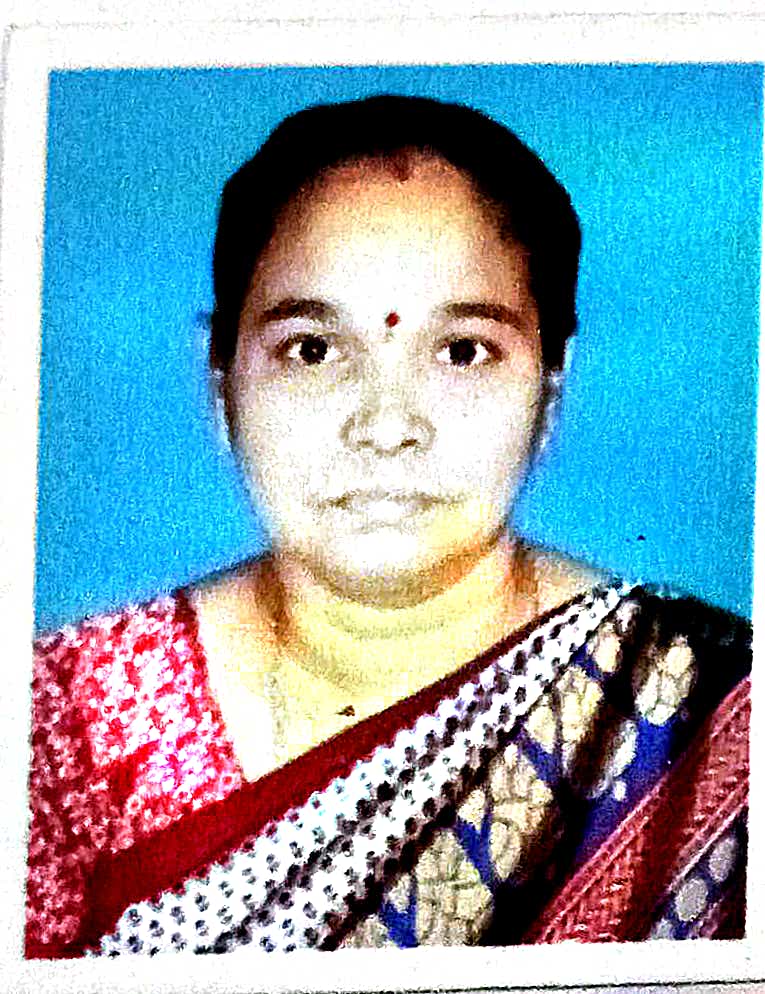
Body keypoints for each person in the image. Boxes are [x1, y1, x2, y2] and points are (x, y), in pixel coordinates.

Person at [25, 95, 751, 958]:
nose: (385, 426)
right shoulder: (68, 718)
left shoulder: (710, 711)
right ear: (219, 381)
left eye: (462, 351)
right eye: (312, 349)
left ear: (549, 389)